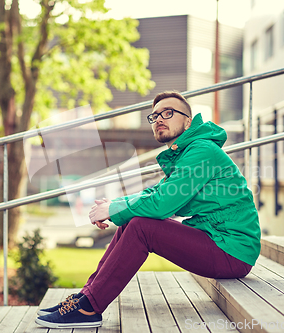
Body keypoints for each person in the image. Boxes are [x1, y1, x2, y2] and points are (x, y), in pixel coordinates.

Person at [35, 91, 261, 329]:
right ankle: (86, 297)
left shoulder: (202, 151)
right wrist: (114, 206)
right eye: (154, 116)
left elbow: (163, 204)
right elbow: (154, 194)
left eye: (168, 113)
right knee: (132, 222)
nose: (159, 119)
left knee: (142, 227)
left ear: (188, 120)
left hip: (232, 251)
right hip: (218, 241)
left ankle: (89, 306)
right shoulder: (188, 153)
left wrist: (114, 208)